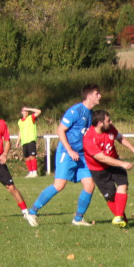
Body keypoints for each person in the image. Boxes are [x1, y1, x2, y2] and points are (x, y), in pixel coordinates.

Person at [28, 85, 102, 226]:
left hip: (82, 155)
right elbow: (60, 130)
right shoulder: (75, 111)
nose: (100, 96)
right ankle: (32, 212)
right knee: (59, 185)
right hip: (67, 152)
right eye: (97, 94)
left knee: (89, 185)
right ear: (89, 96)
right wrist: (69, 150)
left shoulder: (91, 113)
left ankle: (78, 219)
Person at [83, 109, 134, 228]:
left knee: (123, 185)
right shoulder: (89, 138)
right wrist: (122, 164)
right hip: (98, 169)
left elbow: (119, 137)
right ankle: (122, 219)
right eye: (108, 120)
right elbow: (101, 158)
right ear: (100, 123)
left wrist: (132, 148)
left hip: (114, 161)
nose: (111, 122)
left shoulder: (109, 128)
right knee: (110, 196)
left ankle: (119, 216)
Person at [17, 106, 42, 177]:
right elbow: (20, 131)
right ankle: (30, 172)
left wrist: (28, 108)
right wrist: (18, 141)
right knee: (27, 157)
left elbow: (39, 111)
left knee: (32, 156)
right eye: (24, 111)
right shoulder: (19, 122)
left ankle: (34, 172)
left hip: (31, 140)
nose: (26, 112)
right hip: (24, 142)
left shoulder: (31, 118)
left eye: (26, 111)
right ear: (21, 112)